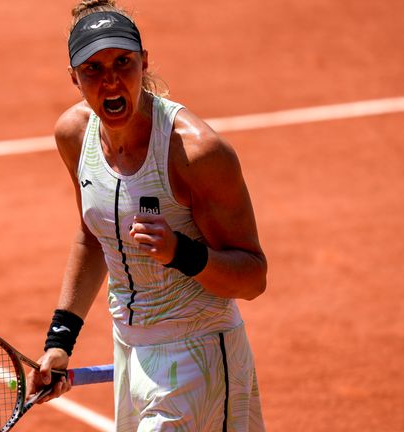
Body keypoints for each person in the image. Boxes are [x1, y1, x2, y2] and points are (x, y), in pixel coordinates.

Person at [28, 1, 267, 430]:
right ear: (74, 78)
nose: (112, 80)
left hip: (200, 357)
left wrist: (182, 253)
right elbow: (91, 235)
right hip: (129, 352)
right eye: (93, 69)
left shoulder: (195, 153)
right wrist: (60, 341)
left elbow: (252, 277)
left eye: (124, 62)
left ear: (145, 62)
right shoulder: (74, 135)